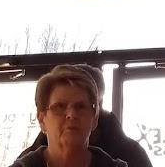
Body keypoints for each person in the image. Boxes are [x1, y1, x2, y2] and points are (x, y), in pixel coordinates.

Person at [15, 65, 153, 167]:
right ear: (41, 119)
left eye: (80, 107)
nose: (71, 115)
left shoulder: (129, 157)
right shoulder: (24, 165)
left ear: (95, 117)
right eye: (59, 107)